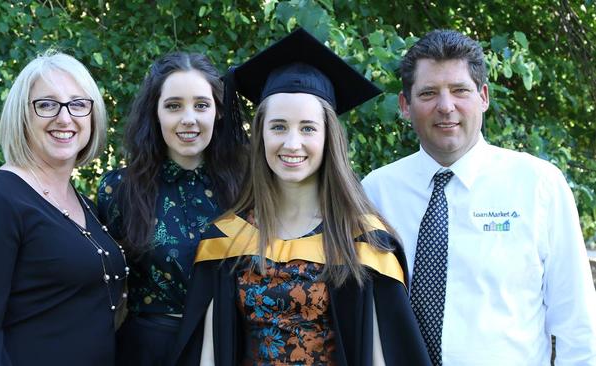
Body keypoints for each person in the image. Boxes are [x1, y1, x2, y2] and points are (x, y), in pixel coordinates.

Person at [172, 28, 431, 366]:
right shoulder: (227, 238)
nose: (292, 143)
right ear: (261, 134)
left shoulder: (362, 240)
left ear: (328, 138)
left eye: (308, 128)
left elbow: (380, 355)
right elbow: (209, 351)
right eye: (278, 127)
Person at [362, 29, 596, 365]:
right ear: (405, 105)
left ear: (483, 96)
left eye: (459, 90)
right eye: (428, 93)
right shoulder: (376, 192)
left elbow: (578, 324)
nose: (446, 106)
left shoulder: (538, 185)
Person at [0, 51, 127, 365]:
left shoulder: (81, 201)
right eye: (46, 104)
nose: (65, 117)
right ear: (22, 115)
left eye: (78, 104)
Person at [96, 52, 248, 365]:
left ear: (219, 112)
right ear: (155, 112)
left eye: (201, 105)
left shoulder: (248, 187)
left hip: (229, 345)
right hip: (148, 352)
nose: (188, 118)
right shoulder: (119, 189)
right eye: (174, 105)